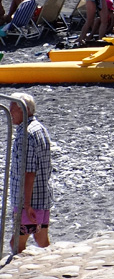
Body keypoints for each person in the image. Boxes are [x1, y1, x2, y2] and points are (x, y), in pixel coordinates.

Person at [8, 92, 52, 253]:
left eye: (13, 108)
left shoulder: (26, 134)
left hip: (30, 202)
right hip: (41, 197)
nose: (9, 112)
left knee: (17, 244)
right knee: (42, 241)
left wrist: (26, 205)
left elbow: (29, 172)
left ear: (24, 109)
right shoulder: (39, 128)